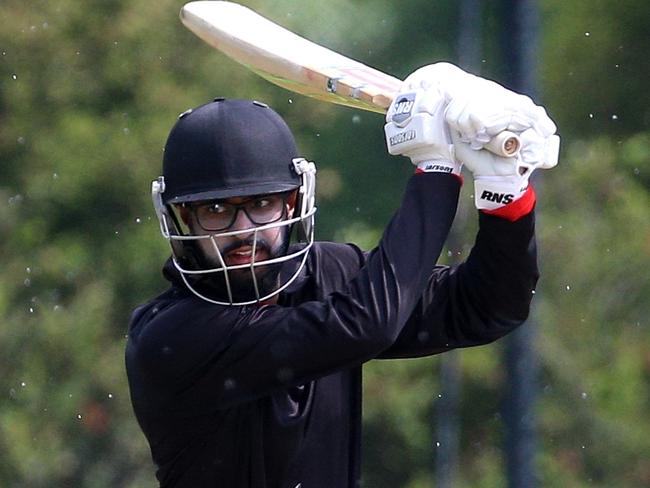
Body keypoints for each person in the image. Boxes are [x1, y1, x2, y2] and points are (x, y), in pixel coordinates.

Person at [126, 63, 559, 487]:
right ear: (182, 217)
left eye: (261, 204)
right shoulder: (170, 337)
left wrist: (506, 194)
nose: (244, 231)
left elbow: (487, 306)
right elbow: (365, 326)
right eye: (216, 211)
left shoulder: (327, 274)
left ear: (293, 202)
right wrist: (437, 171)